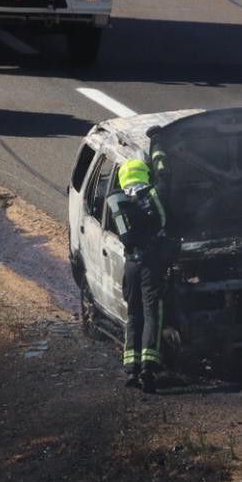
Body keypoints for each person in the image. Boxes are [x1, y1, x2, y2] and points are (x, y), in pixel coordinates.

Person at [105, 158, 168, 393]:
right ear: (145, 174)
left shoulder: (117, 200)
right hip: (150, 264)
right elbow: (164, 221)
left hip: (130, 264)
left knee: (134, 315)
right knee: (153, 314)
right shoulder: (151, 195)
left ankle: (131, 368)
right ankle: (149, 369)